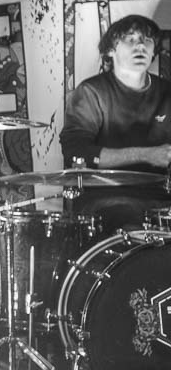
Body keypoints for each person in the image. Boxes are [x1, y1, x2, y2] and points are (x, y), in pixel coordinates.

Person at [59, 14, 171, 232]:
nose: (140, 46)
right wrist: (145, 155)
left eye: (147, 40)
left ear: (154, 50)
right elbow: (76, 152)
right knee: (126, 214)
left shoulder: (167, 92)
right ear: (110, 50)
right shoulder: (92, 92)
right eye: (130, 39)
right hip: (106, 197)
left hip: (160, 196)